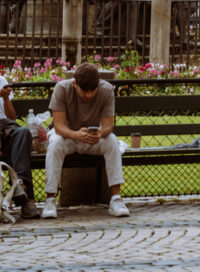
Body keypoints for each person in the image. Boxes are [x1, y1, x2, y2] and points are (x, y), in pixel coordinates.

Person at [42, 62, 129, 219]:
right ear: (75, 84)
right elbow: (59, 126)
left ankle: (116, 199)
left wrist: (100, 134)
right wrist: (76, 135)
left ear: (98, 84)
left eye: (93, 90)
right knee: (54, 144)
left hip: (92, 138)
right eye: (84, 90)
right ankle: (49, 200)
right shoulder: (62, 88)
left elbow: (109, 126)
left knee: (112, 141)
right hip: (66, 136)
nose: (89, 95)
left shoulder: (106, 89)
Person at [0, 74, 38, 218]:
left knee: (22, 133)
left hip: (4, 127)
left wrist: (5, 98)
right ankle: (27, 201)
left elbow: (11, 118)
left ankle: (19, 185)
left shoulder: (1, 80)